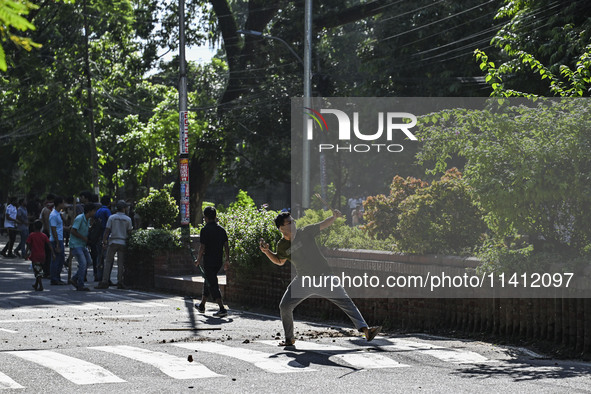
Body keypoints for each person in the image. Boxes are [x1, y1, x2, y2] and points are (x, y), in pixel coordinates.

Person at [259, 210, 381, 347]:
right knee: (285, 306)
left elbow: (323, 225)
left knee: (346, 303)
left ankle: (366, 331)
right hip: (303, 280)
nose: (294, 223)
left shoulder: (305, 232)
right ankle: (289, 339)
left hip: (324, 277)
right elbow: (280, 261)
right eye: (290, 222)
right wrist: (266, 252)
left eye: (293, 221)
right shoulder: (282, 245)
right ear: (282, 228)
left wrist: (334, 217)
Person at [193, 206, 230, 317]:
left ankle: (222, 308)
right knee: (208, 280)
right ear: (215, 216)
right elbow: (226, 246)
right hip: (218, 260)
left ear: (205, 217)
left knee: (212, 283)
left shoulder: (205, 230)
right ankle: (202, 305)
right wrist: (227, 259)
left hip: (208, 260)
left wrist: (198, 260)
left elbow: (202, 247)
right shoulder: (221, 229)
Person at [96, 200, 132, 290]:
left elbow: (107, 230)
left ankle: (105, 281)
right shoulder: (128, 219)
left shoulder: (112, 217)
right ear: (124, 208)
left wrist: (104, 241)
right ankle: (120, 282)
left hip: (112, 242)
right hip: (123, 242)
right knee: (120, 263)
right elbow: (130, 232)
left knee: (108, 262)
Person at [68, 203, 98, 291]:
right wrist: (83, 238)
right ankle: (80, 284)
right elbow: (73, 231)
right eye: (94, 211)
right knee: (83, 263)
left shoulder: (88, 219)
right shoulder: (80, 218)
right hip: (76, 244)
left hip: (82, 244)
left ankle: (74, 278)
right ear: (89, 211)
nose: (95, 212)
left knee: (88, 262)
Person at [25, 220, 53, 291]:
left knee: (37, 271)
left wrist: (26, 253)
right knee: (39, 269)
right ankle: (36, 284)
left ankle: (40, 286)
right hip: (42, 255)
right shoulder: (44, 235)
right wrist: (53, 253)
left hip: (35, 255)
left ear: (34, 227)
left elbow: (28, 245)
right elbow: (49, 244)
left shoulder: (31, 235)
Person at [93, 195, 111, 283]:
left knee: (99, 257)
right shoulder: (107, 211)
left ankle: (98, 275)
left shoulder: (98, 211)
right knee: (106, 258)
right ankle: (106, 278)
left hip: (98, 236)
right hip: (105, 236)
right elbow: (109, 224)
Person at [49, 196, 67, 285]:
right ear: (59, 204)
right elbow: (53, 229)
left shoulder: (58, 214)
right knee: (56, 260)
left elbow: (59, 227)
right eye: (63, 203)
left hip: (59, 239)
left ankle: (57, 277)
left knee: (60, 260)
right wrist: (57, 243)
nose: (64, 205)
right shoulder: (53, 215)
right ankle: (54, 278)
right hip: (55, 240)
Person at [39, 194, 55, 277]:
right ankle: (47, 271)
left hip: (46, 232)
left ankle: (46, 271)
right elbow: (46, 223)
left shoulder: (46, 209)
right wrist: (50, 234)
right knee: (48, 253)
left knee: (47, 253)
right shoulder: (47, 210)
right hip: (47, 233)